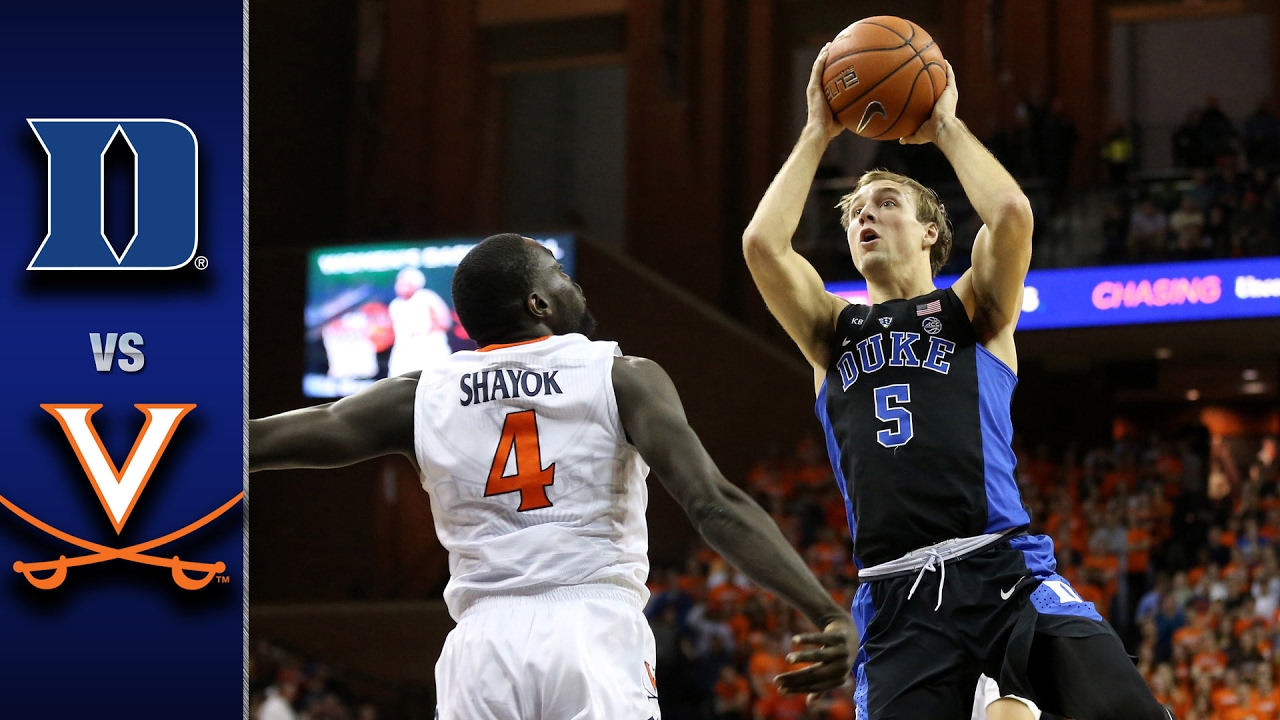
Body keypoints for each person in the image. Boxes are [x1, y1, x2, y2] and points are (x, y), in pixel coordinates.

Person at [250, 234, 858, 719]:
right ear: (537, 304)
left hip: (481, 645)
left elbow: (272, 439)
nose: (576, 284)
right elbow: (713, 503)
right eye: (560, 273)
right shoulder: (620, 374)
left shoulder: (418, 395)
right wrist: (824, 610)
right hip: (591, 628)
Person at [741, 46, 1169, 720]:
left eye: (886, 204)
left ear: (929, 233)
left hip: (1002, 568)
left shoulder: (972, 309)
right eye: (854, 213)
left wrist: (944, 126)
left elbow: (1012, 216)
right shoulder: (830, 329)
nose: (864, 217)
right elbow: (763, 246)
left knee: (1128, 712)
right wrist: (818, 131)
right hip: (897, 596)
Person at [386, 266, 454, 377]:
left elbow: (445, 322)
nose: (400, 285)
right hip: (403, 353)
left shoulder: (427, 298)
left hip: (430, 351)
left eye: (405, 283)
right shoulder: (395, 305)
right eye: (399, 282)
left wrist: (428, 332)